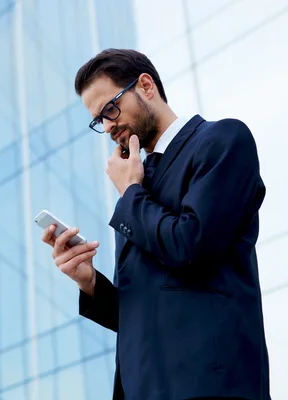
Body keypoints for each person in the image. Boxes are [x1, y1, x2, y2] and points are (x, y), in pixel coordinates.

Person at [41, 49, 270, 400]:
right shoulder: (136, 187)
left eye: (110, 109)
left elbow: (192, 248)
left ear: (146, 86)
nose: (108, 126)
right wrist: (89, 282)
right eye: (98, 120)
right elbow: (142, 311)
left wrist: (130, 191)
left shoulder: (222, 141)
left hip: (209, 385)